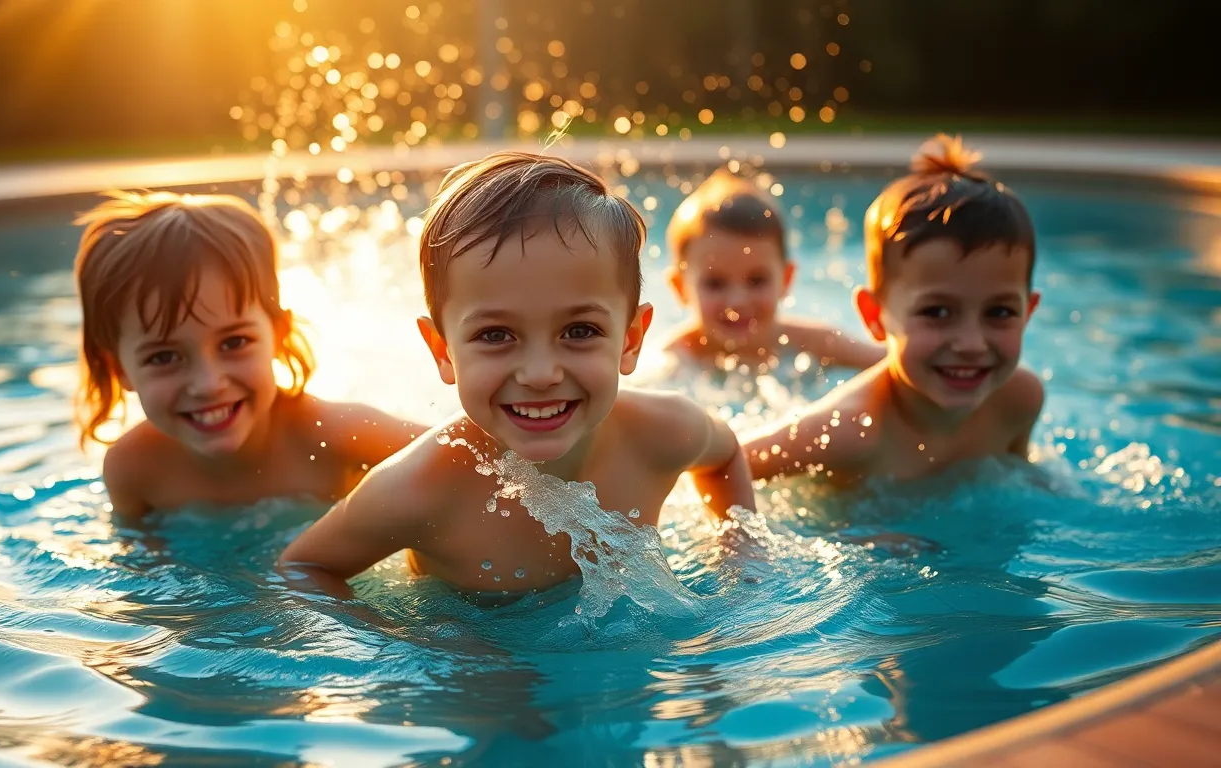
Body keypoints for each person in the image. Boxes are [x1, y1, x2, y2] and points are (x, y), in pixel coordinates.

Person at [280, 152, 754, 597]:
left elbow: (726, 453)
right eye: (495, 336)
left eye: (579, 330)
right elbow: (302, 569)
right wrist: (423, 643)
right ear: (443, 352)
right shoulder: (418, 489)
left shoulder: (663, 431)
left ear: (630, 340)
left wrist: (741, 558)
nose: (541, 373)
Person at [74, 191, 423, 518]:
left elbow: (467, 455)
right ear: (118, 368)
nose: (208, 384)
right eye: (164, 357)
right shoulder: (134, 468)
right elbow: (142, 571)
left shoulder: (340, 436)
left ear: (278, 333)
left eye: (233, 343)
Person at [742, 135, 1043, 486]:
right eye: (938, 312)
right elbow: (721, 466)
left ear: (1028, 312)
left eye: (1000, 312)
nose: (972, 343)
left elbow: (1015, 472)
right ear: (874, 316)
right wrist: (742, 541)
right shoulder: (850, 431)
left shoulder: (1018, 399)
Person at [661, 170, 882, 374]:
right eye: (715, 284)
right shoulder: (674, 361)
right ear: (680, 288)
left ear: (786, 280)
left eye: (756, 281)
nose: (737, 302)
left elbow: (890, 364)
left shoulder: (816, 344)